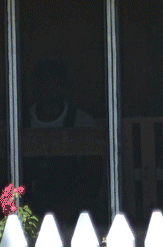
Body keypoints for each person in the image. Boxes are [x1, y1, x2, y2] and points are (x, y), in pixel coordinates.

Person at [22, 59, 103, 225]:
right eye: (45, 85)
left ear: (64, 88)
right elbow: (4, 179)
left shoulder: (81, 122)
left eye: (55, 85)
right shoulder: (20, 122)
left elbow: (93, 178)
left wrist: (69, 207)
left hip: (71, 207)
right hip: (29, 205)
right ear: (36, 89)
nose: (50, 91)